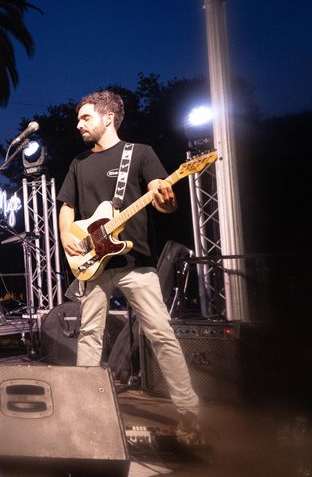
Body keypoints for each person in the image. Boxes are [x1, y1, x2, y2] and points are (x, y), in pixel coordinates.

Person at [57, 90, 202, 442]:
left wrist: (164, 197)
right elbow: (66, 208)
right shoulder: (78, 163)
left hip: (137, 262)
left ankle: (190, 413)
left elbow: (162, 198)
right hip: (93, 265)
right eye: (78, 119)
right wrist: (65, 237)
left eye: (85, 117)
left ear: (108, 118)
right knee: (89, 336)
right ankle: (84, 407)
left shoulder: (140, 154)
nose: (79, 124)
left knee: (160, 334)